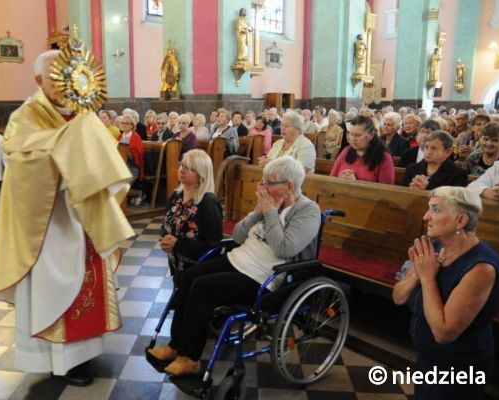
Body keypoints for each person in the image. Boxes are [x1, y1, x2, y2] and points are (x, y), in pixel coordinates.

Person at [0, 50, 134, 386]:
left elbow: (104, 156)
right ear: (39, 81)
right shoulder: (26, 115)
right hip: (49, 226)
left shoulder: (83, 113)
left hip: (84, 219)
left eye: (68, 75)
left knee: (89, 284)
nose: (64, 84)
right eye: (56, 77)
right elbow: (21, 159)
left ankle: (85, 353)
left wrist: (89, 153)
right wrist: (67, 149)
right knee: (57, 290)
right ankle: (63, 362)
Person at [148, 156, 321, 375]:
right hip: (238, 258)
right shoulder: (269, 204)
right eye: (263, 181)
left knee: (203, 288)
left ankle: (190, 358)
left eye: (268, 182)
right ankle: (176, 345)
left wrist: (269, 212)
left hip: (263, 276)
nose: (263, 186)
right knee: (189, 277)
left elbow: (283, 248)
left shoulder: (308, 210)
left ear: (289, 186)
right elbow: (238, 236)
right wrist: (259, 211)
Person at [392, 186, 499, 400]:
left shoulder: (481, 268)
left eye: (435, 209)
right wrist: (417, 273)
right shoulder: (433, 247)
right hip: (428, 359)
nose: (426, 216)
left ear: (460, 221)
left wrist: (427, 277)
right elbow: (398, 297)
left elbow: (444, 333)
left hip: (458, 366)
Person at [159, 149, 223, 283]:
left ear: (201, 174)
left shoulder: (208, 203)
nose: (182, 170)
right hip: (176, 266)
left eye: (190, 168)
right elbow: (167, 222)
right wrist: (165, 237)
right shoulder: (177, 196)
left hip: (197, 272)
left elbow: (213, 247)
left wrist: (177, 245)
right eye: (182, 165)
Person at [330, 115, 395, 184]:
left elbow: (386, 191)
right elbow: (331, 178)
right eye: (351, 134)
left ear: (371, 135)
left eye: (358, 135)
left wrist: (356, 183)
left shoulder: (384, 158)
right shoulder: (346, 151)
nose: (353, 139)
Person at [403, 131, 468, 190]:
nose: (428, 152)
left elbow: (455, 200)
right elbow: (402, 193)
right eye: (426, 147)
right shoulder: (411, 169)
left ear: (447, 152)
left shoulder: (458, 174)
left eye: (433, 148)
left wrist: (427, 187)